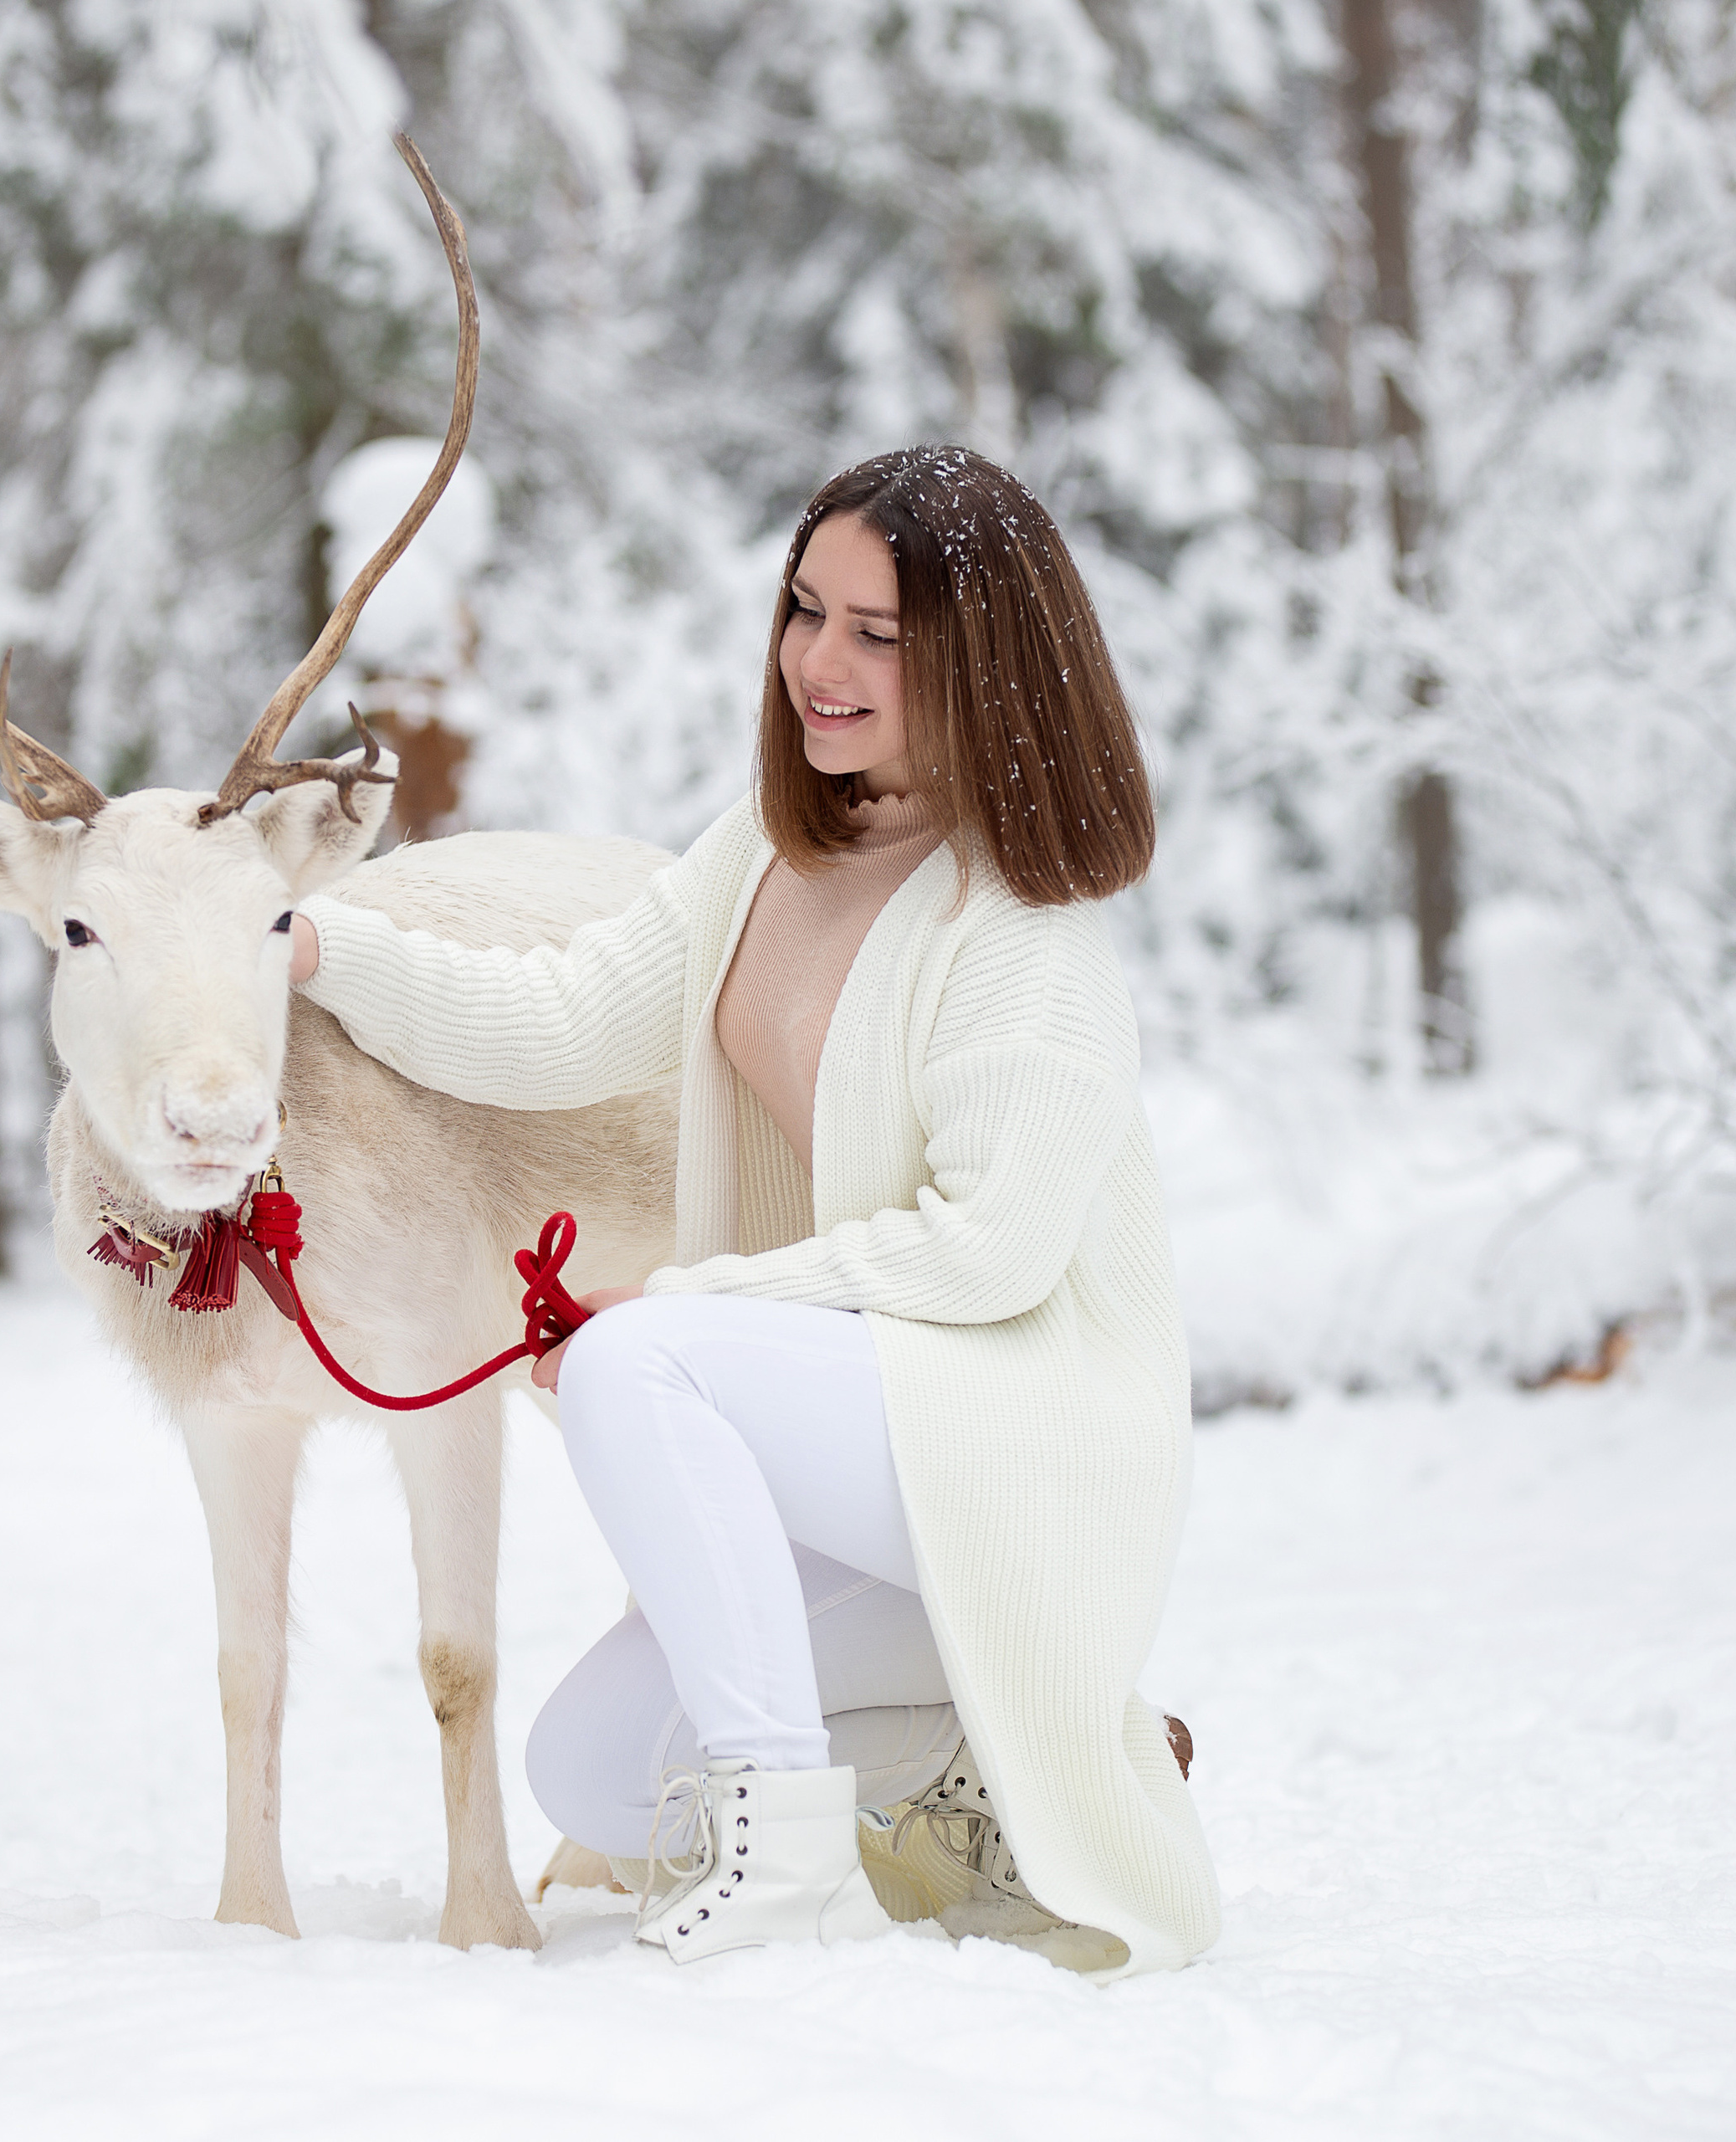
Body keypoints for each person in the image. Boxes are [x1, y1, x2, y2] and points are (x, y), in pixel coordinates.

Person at [289, 445, 1220, 1975]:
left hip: (1030, 1452)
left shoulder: (1023, 929)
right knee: (592, 1774)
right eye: (806, 610)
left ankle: (787, 1844)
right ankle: (985, 1749)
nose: (819, 662)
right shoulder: (777, 848)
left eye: (880, 633)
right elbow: (562, 1017)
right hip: (886, 1450)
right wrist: (315, 947)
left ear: (981, 658)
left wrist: (698, 1305)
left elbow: (988, 1251)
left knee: (638, 1359)